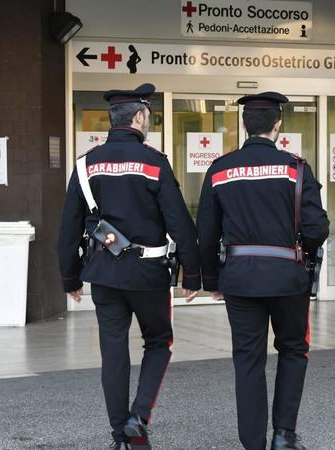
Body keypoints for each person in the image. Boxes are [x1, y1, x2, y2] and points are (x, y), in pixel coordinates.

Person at [57, 83, 201, 450]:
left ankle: (120, 437)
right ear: (138, 117)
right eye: (147, 117)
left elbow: (69, 226)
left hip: (104, 275)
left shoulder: (85, 164)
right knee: (159, 342)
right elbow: (179, 223)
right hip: (149, 276)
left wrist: (69, 276)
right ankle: (139, 417)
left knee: (114, 351)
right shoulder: (154, 162)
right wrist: (193, 273)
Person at [196, 92, 329, 450]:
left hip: (239, 278)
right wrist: (305, 256)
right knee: (292, 350)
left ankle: (252, 442)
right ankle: (284, 435)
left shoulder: (220, 169)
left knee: (248, 358)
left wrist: (212, 280)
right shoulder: (296, 168)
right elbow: (317, 228)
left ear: (243, 125)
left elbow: (205, 232)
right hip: (288, 277)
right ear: (278, 125)